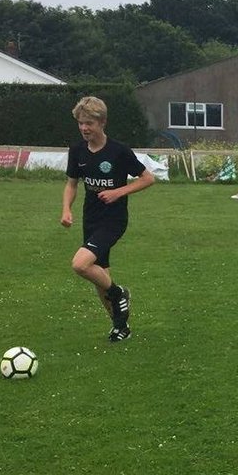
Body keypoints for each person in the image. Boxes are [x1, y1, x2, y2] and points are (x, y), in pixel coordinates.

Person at [60, 96, 155, 342]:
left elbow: (148, 178)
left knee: (80, 265)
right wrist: (66, 210)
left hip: (113, 221)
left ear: (102, 122)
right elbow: (71, 184)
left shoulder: (119, 151)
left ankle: (119, 292)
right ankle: (120, 327)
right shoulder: (77, 150)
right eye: (80, 123)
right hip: (90, 219)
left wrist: (118, 192)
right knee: (99, 275)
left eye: (89, 123)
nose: (84, 128)